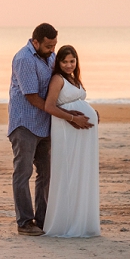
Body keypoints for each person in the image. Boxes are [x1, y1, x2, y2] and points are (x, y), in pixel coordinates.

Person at [8, 24, 92, 236]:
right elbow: (33, 97)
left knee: (46, 173)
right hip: (24, 124)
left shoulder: (50, 57)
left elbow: (60, 86)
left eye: (54, 45)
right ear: (35, 42)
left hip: (46, 124)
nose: (53, 49)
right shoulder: (24, 59)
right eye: (48, 45)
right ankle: (25, 222)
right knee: (23, 172)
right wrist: (68, 116)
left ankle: (43, 220)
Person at [42, 45, 101, 238]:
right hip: (67, 130)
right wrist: (75, 119)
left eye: (72, 61)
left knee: (83, 172)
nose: (69, 65)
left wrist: (92, 112)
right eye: (65, 61)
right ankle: (67, 222)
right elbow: (49, 106)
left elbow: (77, 101)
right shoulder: (57, 79)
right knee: (69, 172)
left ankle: (83, 220)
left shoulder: (74, 79)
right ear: (58, 63)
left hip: (82, 134)